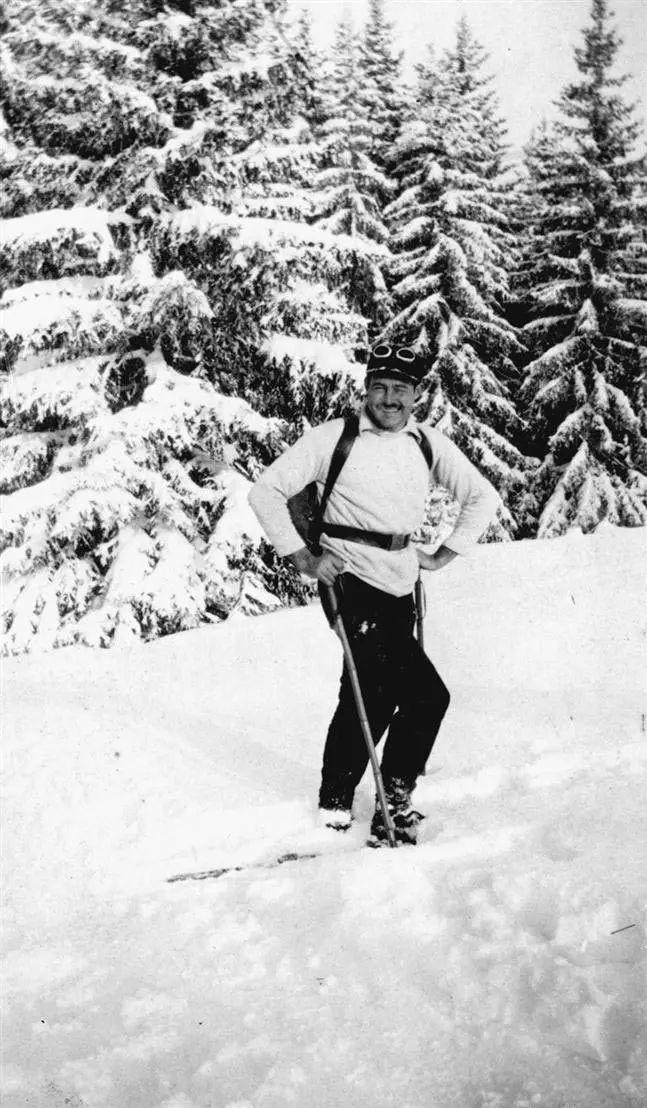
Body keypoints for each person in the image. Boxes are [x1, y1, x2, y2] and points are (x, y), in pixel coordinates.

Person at [248, 343, 500, 845]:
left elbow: (481, 496)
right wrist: (305, 558)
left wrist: (444, 553)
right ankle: (396, 795)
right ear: (365, 390)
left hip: (401, 581)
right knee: (428, 695)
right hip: (349, 582)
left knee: (370, 692)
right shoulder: (333, 438)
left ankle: (336, 801)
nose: (389, 399)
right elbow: (266, 492)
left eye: (400, 390)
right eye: (380, 388)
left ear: (415, 396)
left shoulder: (426, 443)